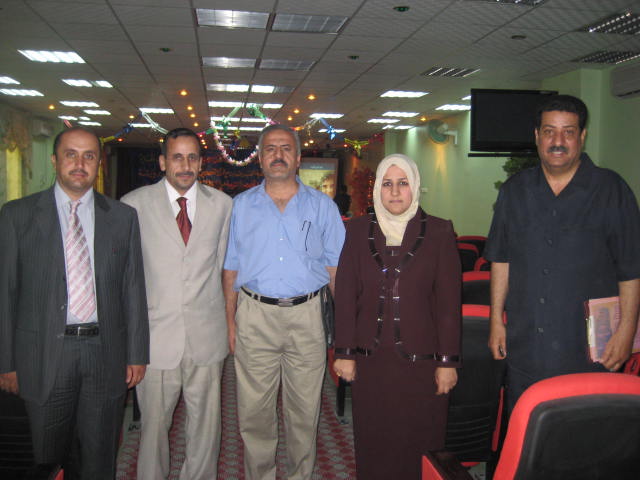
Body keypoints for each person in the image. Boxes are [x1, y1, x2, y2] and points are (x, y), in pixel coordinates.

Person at [0, 126, 149, 479]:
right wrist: (6, 361)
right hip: (42, 354)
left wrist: (136, 353)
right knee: (46, 458)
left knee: (99, 457)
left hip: (104, 352)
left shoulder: (122, 217)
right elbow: (5, 292)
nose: (80, 164)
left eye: (89, 156)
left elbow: (132, 288)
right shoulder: (17, 215)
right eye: (71, 154)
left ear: (99, 164)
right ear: (55, 160)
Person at [485, 94, 640, 413]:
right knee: (529, 433)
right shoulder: (514, 191)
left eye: (568, 132)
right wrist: (496, 321)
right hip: (526, 347)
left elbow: (631, 268)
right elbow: (501, 260)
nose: (558, 141)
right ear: (537, 136)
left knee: (587, 436)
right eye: (549, 131)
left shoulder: (612, 190)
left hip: (590, 353)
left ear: (582, 136)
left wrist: (626, 331)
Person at [222, 124, 345, 480]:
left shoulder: (323, 207)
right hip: (254, 315)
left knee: (304, 410)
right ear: (259, 158)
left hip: (308, 316)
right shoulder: (240, 206)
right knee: (254, 412)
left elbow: (335, 269)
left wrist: (344, 329)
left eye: (286, 148)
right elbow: (231, 268)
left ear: (299, 157)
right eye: (271, 148)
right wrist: (230, 321)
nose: (278, 155)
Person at [333, 154, 461, 480]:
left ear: (415, 186)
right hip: (371, 361)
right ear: (377, 188)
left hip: (422, 364)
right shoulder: (357, 230)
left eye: (402, 183)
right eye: (387, 183)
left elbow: (448, 304)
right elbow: (346, 294)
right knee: (374, 440)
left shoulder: (439, 231)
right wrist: (344, 352)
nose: (394, 191)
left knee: (420, 442)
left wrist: (447, 362)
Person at [121, 128, 232, 479]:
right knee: (153, 427)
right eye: (177, 157)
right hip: (155, 338)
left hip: (206, 334)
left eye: (192, 157)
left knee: (206, 428)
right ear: (162, 162)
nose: (185, 165)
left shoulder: (222, 205)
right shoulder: (133, 205)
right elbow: (126, 277)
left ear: (201, 162)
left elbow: (221, 265)